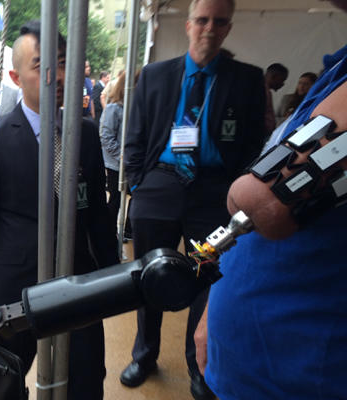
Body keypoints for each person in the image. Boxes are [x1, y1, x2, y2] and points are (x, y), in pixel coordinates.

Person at [195, 1, 347, 398]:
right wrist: (216, 310)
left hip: (302, 373)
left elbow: (264, 201)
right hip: (249, 363)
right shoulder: (337, 68)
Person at [0, 20, 119, 399]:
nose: (58, 76)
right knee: (0, 387)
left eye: (64, 62)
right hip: (13, 290)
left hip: (77, 284)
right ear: (16, 76)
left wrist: (113, 279)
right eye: (43, 66)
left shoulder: (84, 134)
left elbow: (98, 214)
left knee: (83, 383)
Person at [122, 0, 266, 399]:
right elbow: (135, 136)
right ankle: (145, 354)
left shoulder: (246, 79)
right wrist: (138, 183)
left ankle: (197, 366)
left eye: (219, 22)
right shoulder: (153, 76)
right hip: (160, 190)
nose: (209, 29)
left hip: (214, 197)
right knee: (147, 277)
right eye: (202, 20)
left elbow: (256, 142)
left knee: (205, 280)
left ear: (228, 28)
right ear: (188, 25)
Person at [99, 70, 137, 230]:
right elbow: (105, 136)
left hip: (132, 162)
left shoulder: (136, 108)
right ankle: (108, 231)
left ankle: (128, 230)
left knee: (136, 196)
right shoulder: (114, 108)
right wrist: (121, 154)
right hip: (116, 164)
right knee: (116, 198)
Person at [264, 63, 289, 135]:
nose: (282, 84)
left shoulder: (267, 91)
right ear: (274, 76)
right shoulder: (262, 92)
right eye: (282, 80)